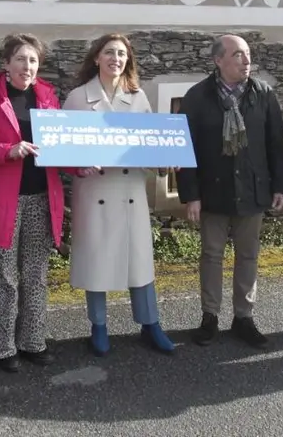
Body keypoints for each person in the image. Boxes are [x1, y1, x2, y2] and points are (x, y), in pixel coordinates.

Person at [62, 33, 175, 357]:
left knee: (139, 259)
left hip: (130, 191)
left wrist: (164, 161)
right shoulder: (77, 98)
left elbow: (151, 144)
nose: (116, 58)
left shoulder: (137, 97)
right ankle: (98, 326)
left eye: (122, 54)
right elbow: (62, 150)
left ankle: (150, 323)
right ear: (96, 58)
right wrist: (77, 166)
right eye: (109, 52)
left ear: (128, 60)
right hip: (94, 190)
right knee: (96, 259)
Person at [0, 34, 66, 372]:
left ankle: (33, 342)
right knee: (3, 276)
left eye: (33, 60)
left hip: (40, 198)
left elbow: (62, 145)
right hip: (2, 202)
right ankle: (0, 347)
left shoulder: (48, 98)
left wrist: (83, 162)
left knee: (35, 275)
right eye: (20, 59)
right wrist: (7, 150)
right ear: (6, 64)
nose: (27, 66)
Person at [176, 34, 283, 349]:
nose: (246, 60)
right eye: (238, 54)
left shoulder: (263, 94)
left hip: (252, 190)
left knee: (248, 254)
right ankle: (209, 316)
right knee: (211, 255)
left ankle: (244, 317)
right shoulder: (197, 97)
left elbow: (275, 145)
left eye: (248, 54)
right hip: (213, 190)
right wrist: (192, 195)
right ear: (218, 60)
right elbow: (187, 150)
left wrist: (279, 185)